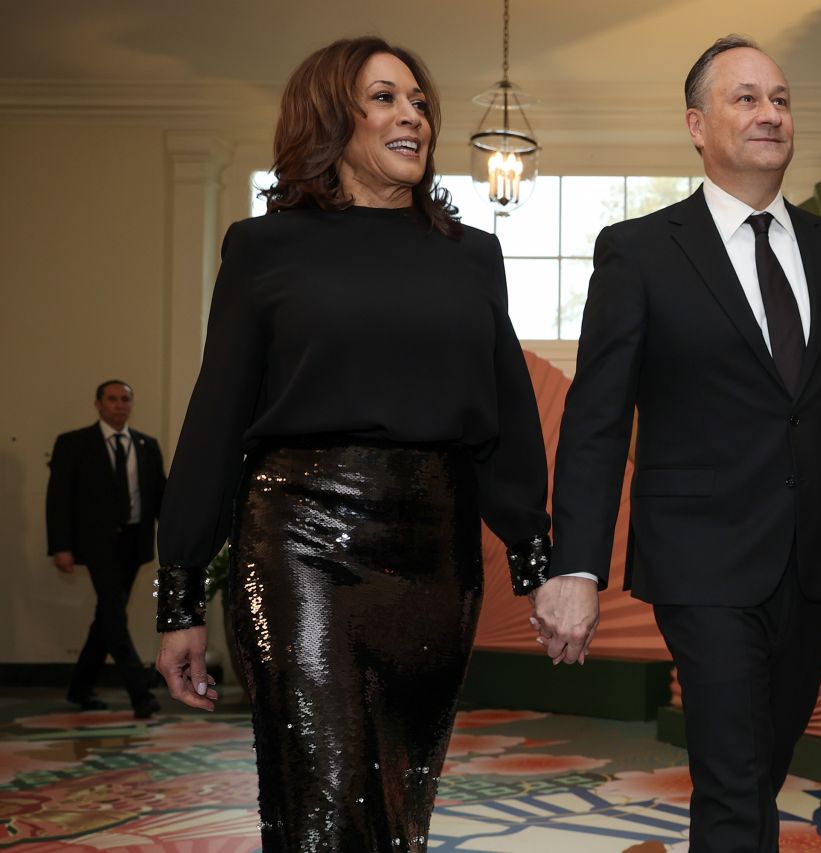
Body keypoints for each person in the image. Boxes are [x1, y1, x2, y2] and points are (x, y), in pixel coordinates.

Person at [535, 36, 821, 852]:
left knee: (758, 768)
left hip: (813, 558)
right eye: (746, 98)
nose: (770, 114)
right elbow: (596, 418)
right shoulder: (641, 253)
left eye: (781, 99)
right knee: (731, 775)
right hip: (699, 558)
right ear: (697, 124)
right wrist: (575, 566)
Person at [153, 37, 549, 851]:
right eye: (384, 98)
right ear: (333, 118)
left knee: (398, 806)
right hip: (298, 545)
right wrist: (181, 593)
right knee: (326, 804)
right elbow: (215, 417)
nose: (413, 114)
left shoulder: (472, 255)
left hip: (437, 557)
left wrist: (537, 558)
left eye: (419, 100)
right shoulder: (263, 247)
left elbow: (504, 415)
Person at [45, 380, 165, 718]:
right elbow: (58, 500)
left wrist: (176, 540)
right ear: (98, 404)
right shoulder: (73, 443)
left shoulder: (146, 445)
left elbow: (160, 497)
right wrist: (61, 546)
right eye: (112, 399)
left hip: (133, 543)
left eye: (125, 399)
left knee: (107, 617)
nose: (119, 405)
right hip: (95, 543)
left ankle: (79, 687)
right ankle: (140, 692)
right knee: (114, 613)